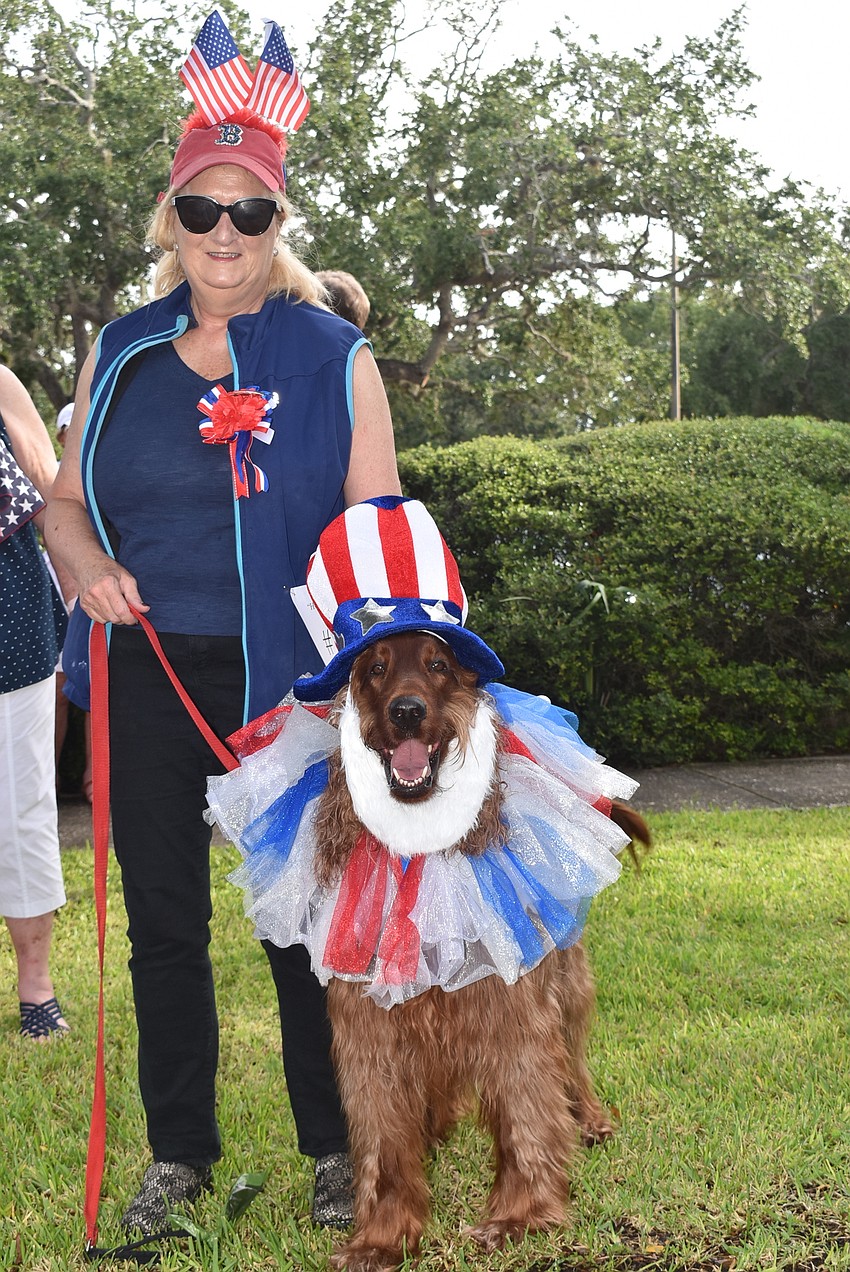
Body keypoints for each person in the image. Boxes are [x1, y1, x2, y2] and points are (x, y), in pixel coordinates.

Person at [45, 104, 401, 1238]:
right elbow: (60, 509)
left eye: (249, 210)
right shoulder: (122, 348)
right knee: (164, 922)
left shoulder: (334, 354)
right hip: (145, 668)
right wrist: (90, 565)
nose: (225, 230)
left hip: (284, 679)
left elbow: (376, 528)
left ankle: (338, 1148)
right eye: (203, 207)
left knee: (298, 920)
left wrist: (376, 674)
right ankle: (178, 1158)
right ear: (172, 218)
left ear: (277, 220)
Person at [0, 365, 71, 1040]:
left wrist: (81, 590)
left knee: (20, 808)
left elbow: (51, 491)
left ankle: (36, 986)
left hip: (9, 626)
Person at [52, 402, 93, 803]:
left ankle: (94, 778)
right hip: (64, 596)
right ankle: (51, 779)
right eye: (64, 429)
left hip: (85, 597)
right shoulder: (60, 474)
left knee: (95, 688)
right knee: (63, 689)